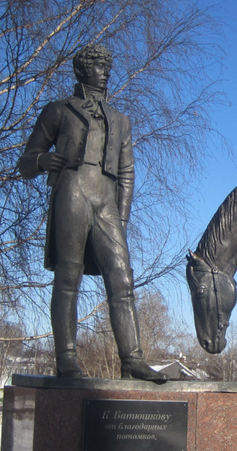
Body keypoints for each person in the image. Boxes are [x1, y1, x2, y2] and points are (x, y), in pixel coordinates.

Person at [18, 43, 165, 382]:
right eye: (99, 66)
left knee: (122, 277)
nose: (106, 71)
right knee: (68, 278)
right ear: (83, 70)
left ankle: (132, 359)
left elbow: (127, 173)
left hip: (106, 201)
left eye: (107, 65)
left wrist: (122, 218)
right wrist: (42, 161)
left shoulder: (120, 120)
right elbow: (26, 161)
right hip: (72, 191)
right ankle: (66, 358)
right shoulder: (58, 111)